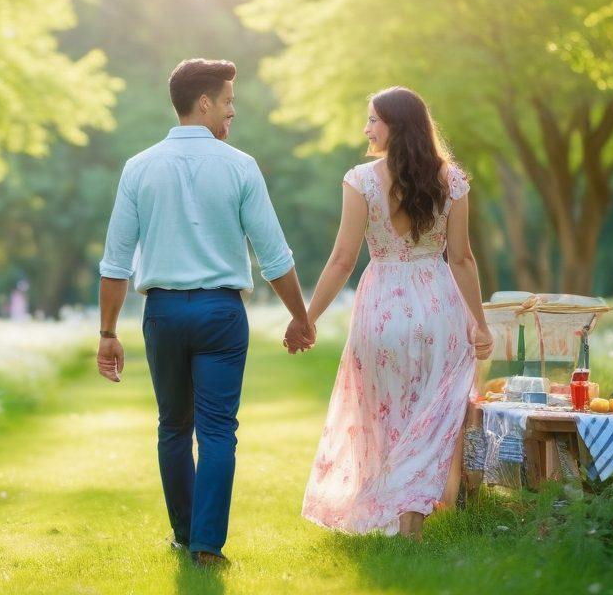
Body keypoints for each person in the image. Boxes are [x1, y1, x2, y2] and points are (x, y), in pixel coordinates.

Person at [96, 58, 314, 567]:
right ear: (204, 103)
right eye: (229, 101)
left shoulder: (139, 167)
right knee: (217, 430)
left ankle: (183, 532)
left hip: (164, 312)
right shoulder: (239, 166)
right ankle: (206, 545)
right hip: (220, 313)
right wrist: (300, 317)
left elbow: (116, 261)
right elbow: (274, 256)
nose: (233, 111)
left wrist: (107, 332)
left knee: (173, 426)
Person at [300, 86, 493, 541]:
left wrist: (308, 317)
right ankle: (411, 515)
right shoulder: (452, 181)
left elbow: (342, 260)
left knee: (382, 411)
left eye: (373, 120)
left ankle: (393, 515)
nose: (366, 128)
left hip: (382, 307)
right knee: (435, 412)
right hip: (439, 308)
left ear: (396, 125)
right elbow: (462, 258)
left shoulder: (361, 180)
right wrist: (479, 323)